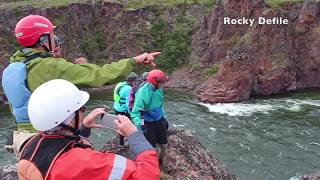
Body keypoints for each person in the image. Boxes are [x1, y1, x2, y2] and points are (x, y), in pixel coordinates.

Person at [2, 14, 160, 132]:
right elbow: (100, 75)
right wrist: (134, 61)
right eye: (51, 35)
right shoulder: (49, 66)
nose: (54, 39)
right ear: (43, 40)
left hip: (23, 135)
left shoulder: (12, 69)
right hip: (45, 133)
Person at [18, 79, 160, 180]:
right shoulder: (86, 163)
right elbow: (147, 175)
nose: (84, 113)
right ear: (70, 119)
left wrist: (82, 128)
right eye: (81, 109)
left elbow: (65, 149)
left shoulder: (31, 145)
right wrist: (134, 134)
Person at [130, 69, 169, 166]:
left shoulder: (159, 89)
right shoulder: (143, 93)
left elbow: (160, 105)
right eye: (161, 81)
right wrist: (140, 124)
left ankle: (160, 162)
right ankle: (152, 165)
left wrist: (164, 117)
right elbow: (135, 113)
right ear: (154, 81)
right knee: (151, 148)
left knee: (164, 145)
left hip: (159, 120)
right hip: (147, 122)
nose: (163, 83)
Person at [113, 72, 139, 145]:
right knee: (130, 125)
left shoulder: (120, 84)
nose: (135, 83)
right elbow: (129, 104)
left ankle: (121, 142)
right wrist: (132, 114)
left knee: (120, 124)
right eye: (134, 81)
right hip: (123, 110)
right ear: (130, 81)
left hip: (116, 107)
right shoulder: (129, 88)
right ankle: (131, 140)